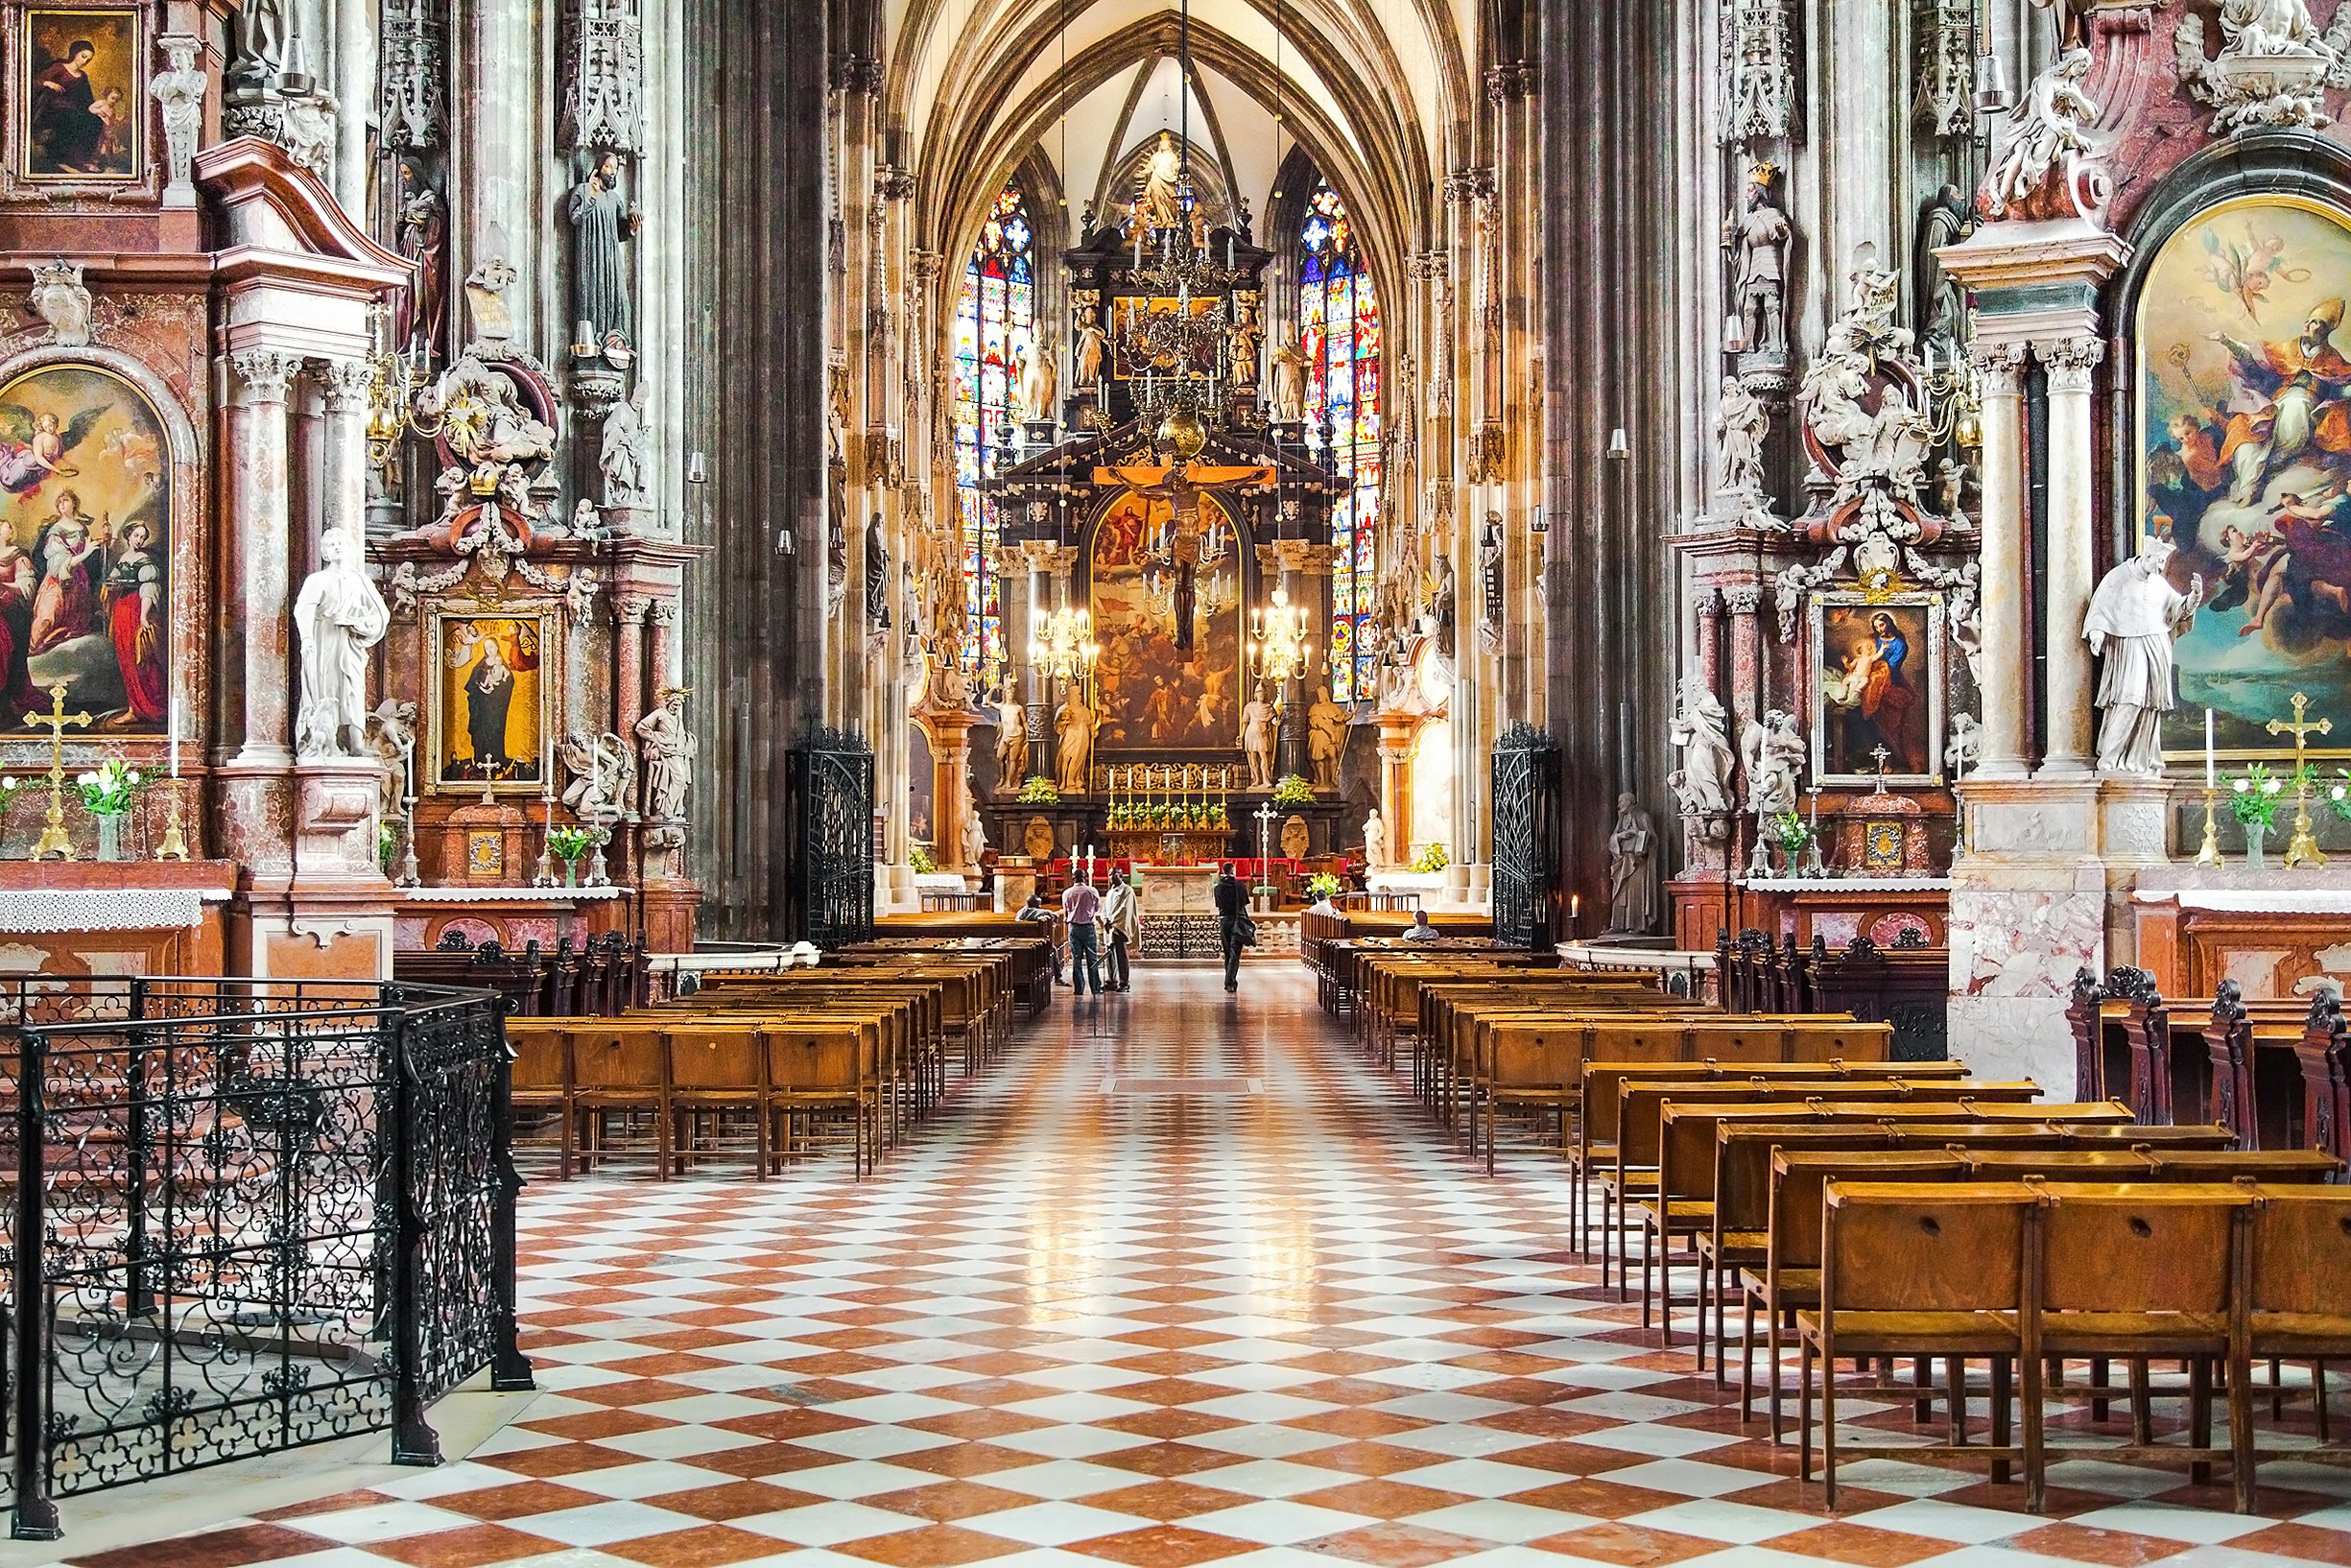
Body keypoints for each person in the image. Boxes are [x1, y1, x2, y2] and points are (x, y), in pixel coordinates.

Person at [1061, 871, 1104, 996]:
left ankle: (1079, 988)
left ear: (1073, 878)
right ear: (1085, 878)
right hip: (1088, 927)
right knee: (1092, 958)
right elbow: (1096, 908)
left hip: (1074, 927)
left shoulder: (1067, 893)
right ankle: (1095, 987)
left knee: (1076, 959)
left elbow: (1066, 909)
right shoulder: (1092, 891)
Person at [1101, 867, 1140, 993]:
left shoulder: (1127, 890)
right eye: (1109, 874)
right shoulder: (1110, 892)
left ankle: (1124, 982)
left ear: (1121, 875)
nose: (1111, 877)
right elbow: (1105, 908)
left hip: (1119, 927)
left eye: (1114, 874)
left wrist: (1111, 921)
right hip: (1109, 927)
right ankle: (1111, 981)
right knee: (1110, 955)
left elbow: (1124, 909)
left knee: (1121, 956)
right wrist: (1105, 919)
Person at [1214, 863, 1249, 992]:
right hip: (1237, 919)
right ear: (1233, 871)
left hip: (1224, 920)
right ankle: (1230, 981)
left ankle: (1230, 980)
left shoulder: (1218, 888)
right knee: (1236, 952)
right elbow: (1244, 902)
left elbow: (1218, 904)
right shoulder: (1240, 886)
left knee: (1228, 952)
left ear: (1223, 871)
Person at [1016, 892, 1064, 986]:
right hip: (1038, 942)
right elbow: (1055, 916)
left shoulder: (1020, 912)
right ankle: (1058, 976)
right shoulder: (1042, 912)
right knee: (1053, 949)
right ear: (1039, 905)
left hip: (1020, 941)